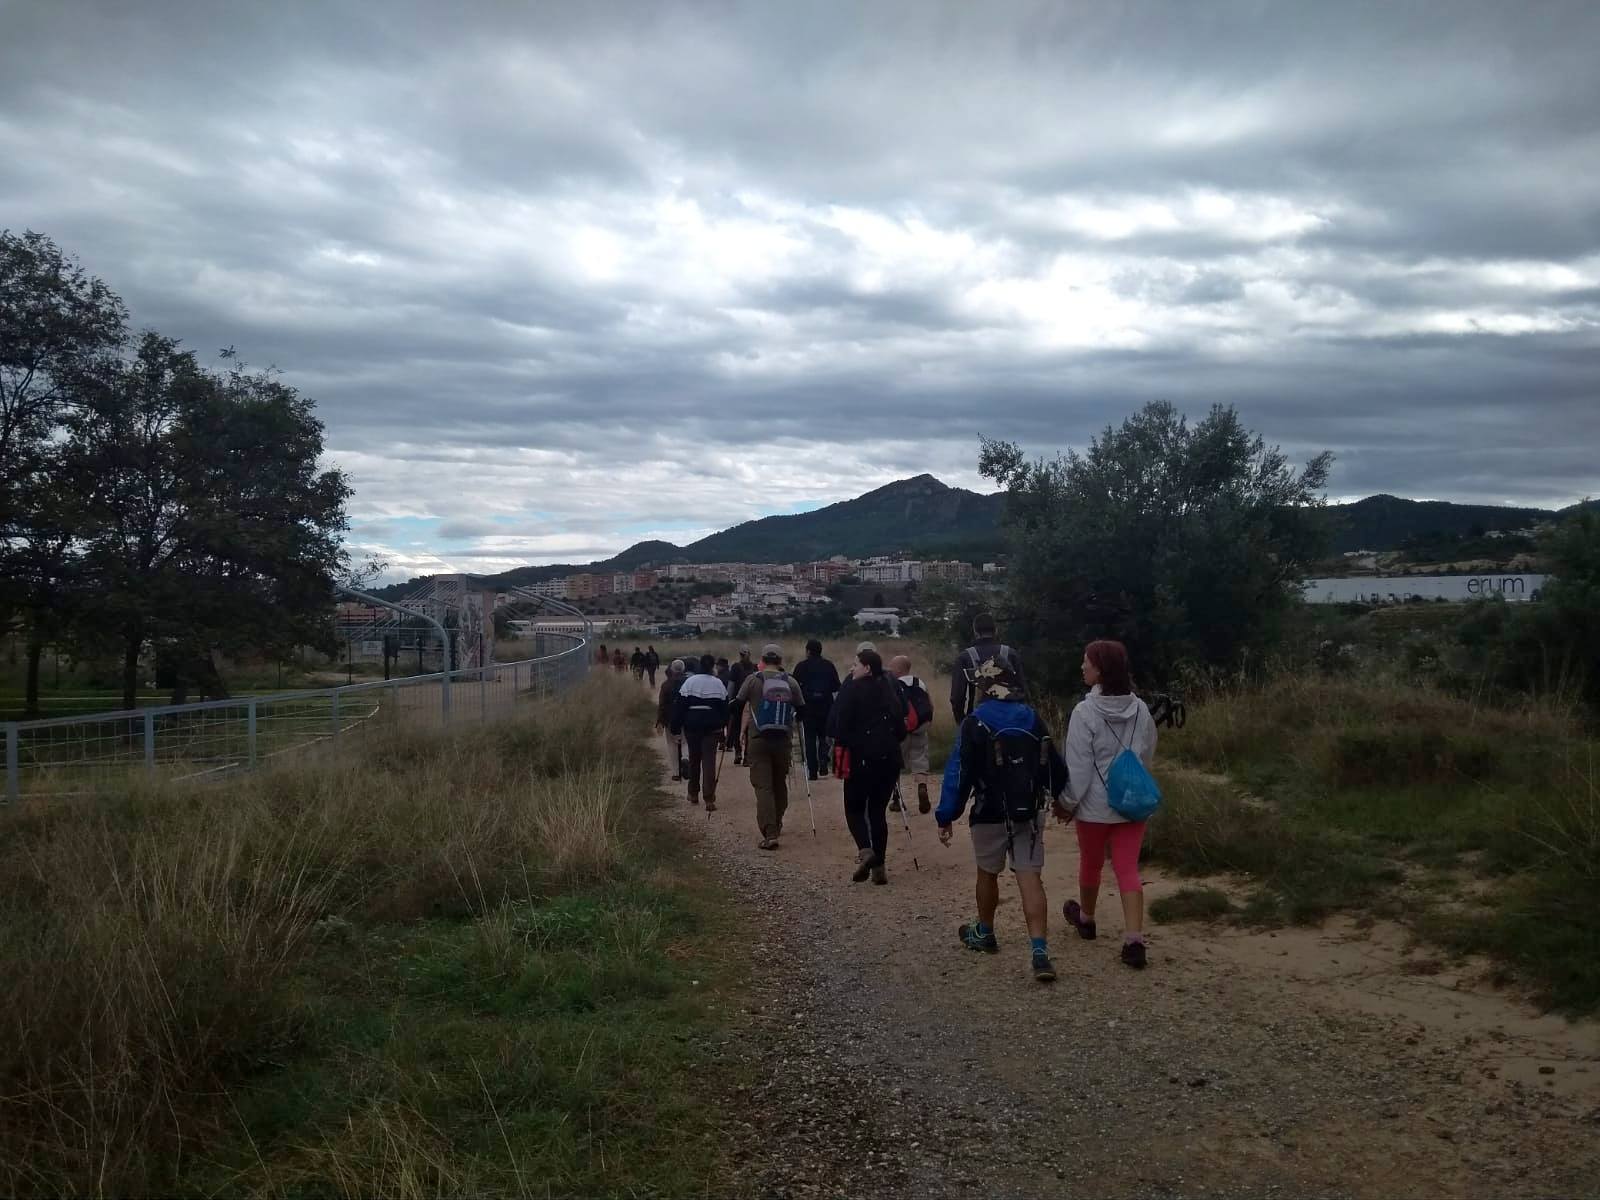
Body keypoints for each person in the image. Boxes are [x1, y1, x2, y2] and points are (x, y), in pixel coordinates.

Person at [936, 656, 1069, 984]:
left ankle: (985, 932)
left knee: (987, 873)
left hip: (989, 812)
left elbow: (959, 771)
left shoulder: (975, 721)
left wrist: (947, 814)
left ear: (984, 686)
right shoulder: (1031, 717)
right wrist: (1062, 801)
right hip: (1028, 811)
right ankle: (1039, 951)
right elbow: (1054, 767)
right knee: (1030, 876)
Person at [1061, 639, 1158, 969]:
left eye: (1086, 662)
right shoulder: (1141, 709)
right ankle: (1134, 940)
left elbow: (1078, 768)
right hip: (1131, 804)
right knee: (1128, 868)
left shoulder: (1084, 712)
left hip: (1093, 808)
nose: (1082, 667)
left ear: (1100, 670)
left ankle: (1086, 920)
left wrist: (1067, 803)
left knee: (1091, 863)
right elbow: (1146, 753)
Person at [832, 648, 907, 885]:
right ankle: (879, 868)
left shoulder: (851, 689)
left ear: (867, 668)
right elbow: (902, 729)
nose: (852, 669)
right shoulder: (889, 688)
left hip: (861, 758)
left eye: (855, 664)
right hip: (889, 759)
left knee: (854, 808)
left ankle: (866, 851)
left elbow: (838, 727)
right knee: (877, 812)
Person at [736, 643, 803, 850]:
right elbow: (802, 710)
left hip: (758, 739)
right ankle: (778, 820)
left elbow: (737, 704)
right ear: (781, 661)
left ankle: (770, 831)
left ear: (762, 660)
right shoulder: (791, 681)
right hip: (782, 740)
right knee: (779, 782)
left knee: (763, 787)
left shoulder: (753, 680)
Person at [673, 652, 729, 812]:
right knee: (709, 762)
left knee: (694, 759)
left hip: (692, 727)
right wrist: (723, 727)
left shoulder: (690, 682)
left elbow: (680, 707)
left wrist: (676, 727)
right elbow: (725, 709)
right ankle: (709, 799)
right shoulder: (718, 684)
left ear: (699, 666)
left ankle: (693, 793)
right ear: (712, 667)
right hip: (712, 728)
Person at [950, 612, 1026, 723]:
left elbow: (957, 698)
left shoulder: (965, 657)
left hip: (978, 723)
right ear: (996, 630)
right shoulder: (1010, 654)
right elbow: (1022, 691)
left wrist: (962, 722)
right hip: (1010, 722)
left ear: (975, 632)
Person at [887, 653, 935, 814]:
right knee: (920, 759)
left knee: (895, 763)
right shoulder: (919, 682)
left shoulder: (892, 684)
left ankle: (896, 799)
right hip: (920, 728)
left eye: (892, 666)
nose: (890, 668)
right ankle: (922, 787)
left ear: (899, 669)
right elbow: (930, 704)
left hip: (901, 728)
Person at [791, 638, 841, 781]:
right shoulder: (829, 666)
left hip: (807, 708)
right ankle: (824, 763)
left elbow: (794, 688)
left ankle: (812, 771)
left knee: (810, 739)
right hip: (826, 706)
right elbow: (836, 686)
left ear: (808, 651)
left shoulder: (801, 666)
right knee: (824, 737)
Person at [655, 658, 689, 780]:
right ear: (683, 669)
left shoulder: (666, 685)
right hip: (685, 718)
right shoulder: (689, 683)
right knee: (685, 742)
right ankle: (685, 758)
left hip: (670, 718)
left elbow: (662, 705)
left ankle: (675, 773)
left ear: (671, 670)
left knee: (672, 744)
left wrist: (660, 721)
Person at [727, 646, 759, 766]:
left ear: (740, 655)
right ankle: (747, 756)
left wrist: (729, 701)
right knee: (749, 729)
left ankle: (738, 752)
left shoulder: (735, 667)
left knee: (736, 728)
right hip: (751, 701)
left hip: (738, 700)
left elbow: (731, 685)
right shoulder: (754, 667)